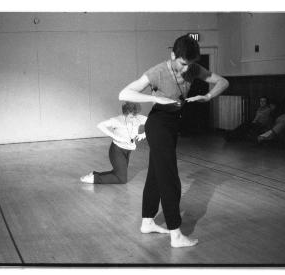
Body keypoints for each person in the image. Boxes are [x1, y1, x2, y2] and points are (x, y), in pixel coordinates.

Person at [118, 34, 229, 248]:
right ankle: (176, 234)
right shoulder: (157, 72)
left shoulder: (194, 69)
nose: (187, 69)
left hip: (172, 127)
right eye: (183, 63)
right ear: (172, 56)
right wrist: (154, 98)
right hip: (158, 125)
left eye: (191, 65)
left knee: (155, 175)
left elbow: (223, 81)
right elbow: (124, 93)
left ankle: (148, 222)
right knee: (170, 179)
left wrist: (207, 97)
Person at [80, 102, 147, 184]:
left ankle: (94, 174)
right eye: (131, 117)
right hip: (117, 150)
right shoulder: (117, 120)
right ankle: (93, 179)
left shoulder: (138, 118)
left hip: (128, 151)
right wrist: (115, 137)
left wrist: (144, 134)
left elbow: (153, 122)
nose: (134, 119)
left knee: (118, 173)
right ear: (125, 114)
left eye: (135, 116)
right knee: (122, 179)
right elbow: (100, 125)